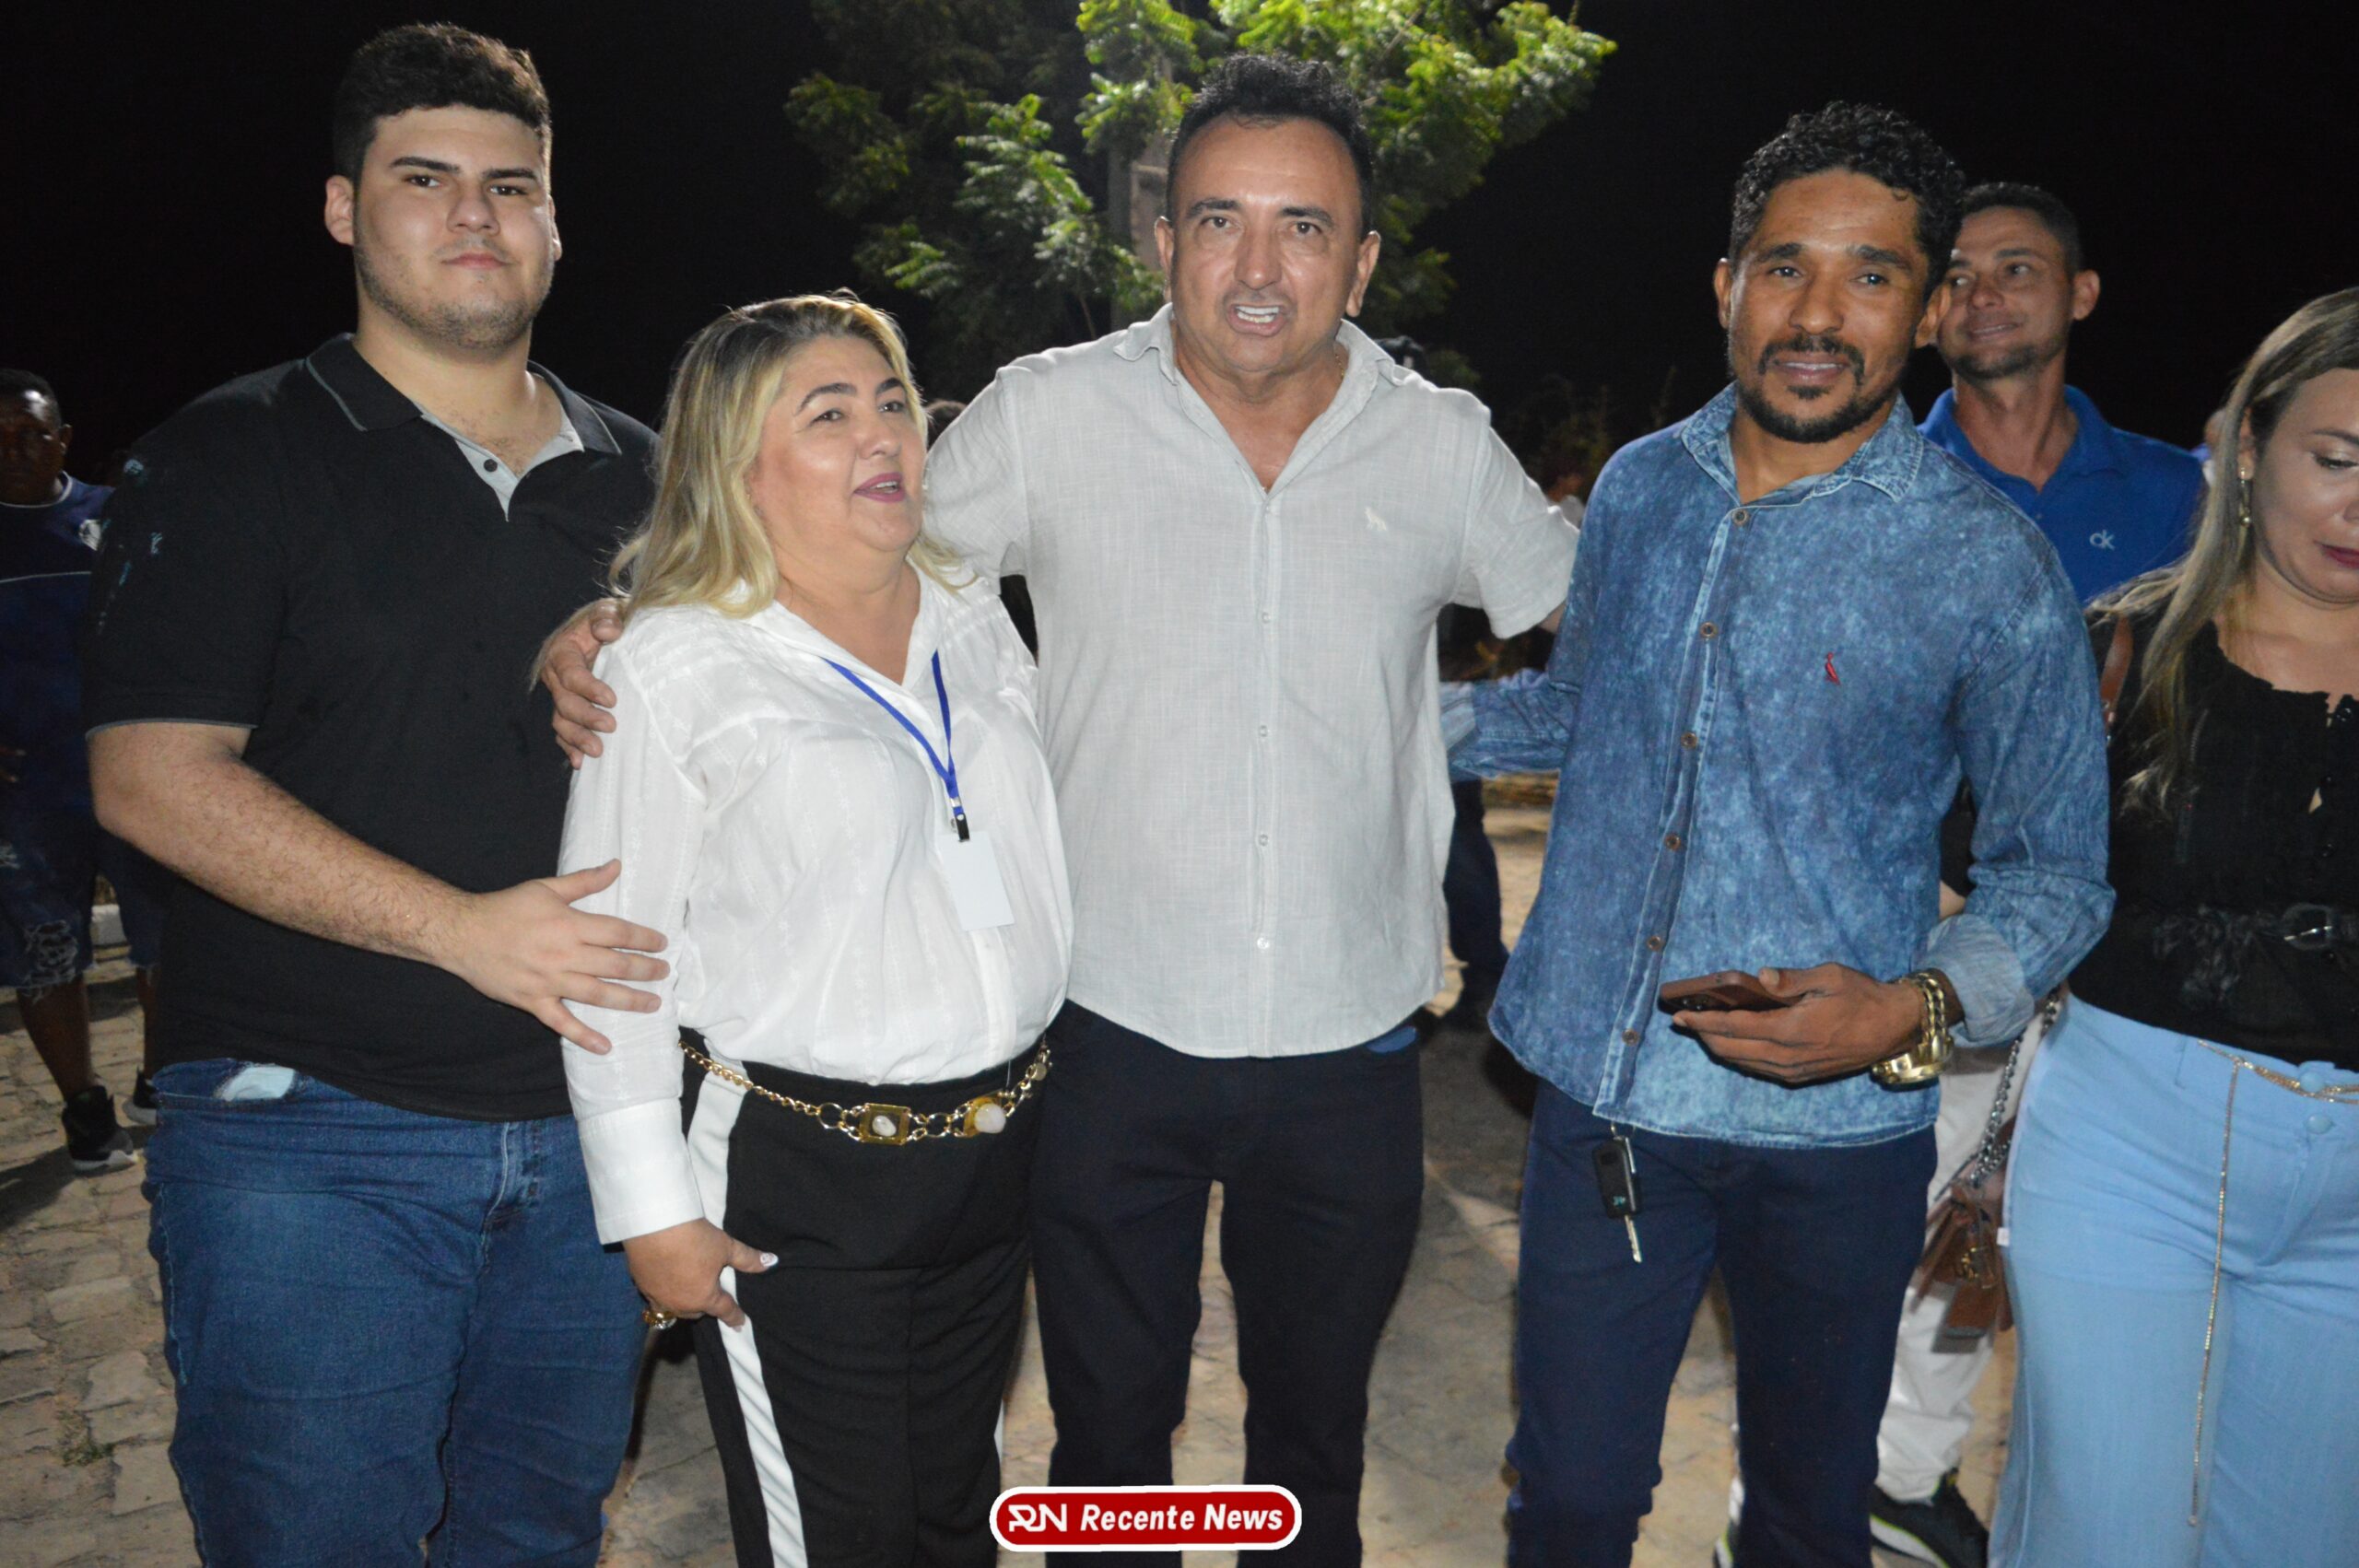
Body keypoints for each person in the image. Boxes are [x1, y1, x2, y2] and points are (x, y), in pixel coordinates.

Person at [546, 53, 1578, 1564]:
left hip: (1350, 1046)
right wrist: (623, 624)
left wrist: (1462, 735)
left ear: (1361, 262)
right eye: (1219, 219)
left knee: (1316, 1442)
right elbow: (835, 552)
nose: (1258, 265)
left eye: (1303, 227)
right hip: (1104, 1043)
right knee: (1107, 1441)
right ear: (1164, 240)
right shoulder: (1043, 416)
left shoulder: (1442, 445)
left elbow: (1596, 635)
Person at [1446, 103, 2112, 1568]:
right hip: (1611, 1097)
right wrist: (1372, 720)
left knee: (1808, 1518)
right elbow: (1581, 708)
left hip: (1839, 1135)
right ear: (1726, 284)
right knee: (1569, 1499)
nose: (1818, 313)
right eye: (1786, 266)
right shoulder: (1640, 487)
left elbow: (2059, 867)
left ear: (1928, 311)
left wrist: (1914, 1007)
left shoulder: (1988, 562)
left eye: (1872, 275)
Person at [81, 26, 663, 1562]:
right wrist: (462, 929)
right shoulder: (231, 452)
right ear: (343, 208)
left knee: (537, 1534)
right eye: (425, 179)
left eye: (512, 186)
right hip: (309, 1134)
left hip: (596, 1128)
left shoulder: (651, 477)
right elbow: (148, 778)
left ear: (555, 221)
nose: (476, 215)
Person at [559, 293, 1072, 1566]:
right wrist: (651, 1211)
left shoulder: (967, 607)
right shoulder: (672, 662)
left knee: (956, 1510)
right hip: (801, 1173)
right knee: (838, 1539)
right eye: (828, 415)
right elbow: (609, 958)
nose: (882, 433)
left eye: (892, 401)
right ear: (738, 464)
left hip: (998, 1150)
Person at [1863, 181, 2210, 1568]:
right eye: (1956, 272)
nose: (1984, 292)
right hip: (1950, 923)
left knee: (2088, 1241)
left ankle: (2080, 1503)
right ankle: (1886, 1479)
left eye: (2018, 267)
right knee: (1932, 1215)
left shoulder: (2180, 495)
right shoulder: (1884, 486)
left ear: (2081, 293)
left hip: (2140, 939)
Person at [1991, 287, 2359, 1568]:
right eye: (2337, 459)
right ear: (2249, 447)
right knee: (2103, 1534)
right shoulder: (2120, 652)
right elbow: (1987, 875)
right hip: (2127, 1154)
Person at [1, 368, 164, 1169]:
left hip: (137, 776)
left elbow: (179, 625)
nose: (16, 451)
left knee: (166, 943)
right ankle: (84, 1109)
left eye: (32, 434)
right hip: (28, 795)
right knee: (46, 954)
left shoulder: (117, 518)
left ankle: (158, 1081)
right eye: (0, 439)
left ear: (63, 440)